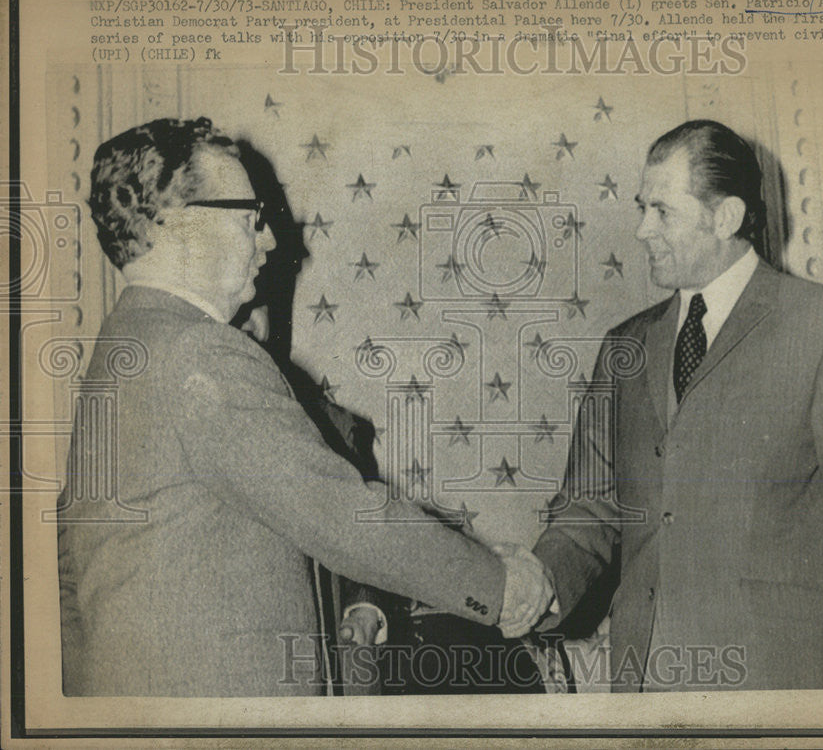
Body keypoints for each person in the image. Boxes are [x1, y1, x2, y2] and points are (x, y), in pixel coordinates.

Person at [56, 117, 553, 696]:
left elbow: (70, 579)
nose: (269, 240)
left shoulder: (122, 347)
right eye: (251, 219)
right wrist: (498, 585)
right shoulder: (200, 350)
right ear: (180, 225)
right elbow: (340, 515)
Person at [529, 119, 823, 691]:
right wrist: (536, 583)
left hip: (778, 690)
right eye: (642, 207)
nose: (641, 230)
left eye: (662, 211)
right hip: (644, 693)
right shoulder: (623, 347)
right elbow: (589, 509)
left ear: (726, 217)